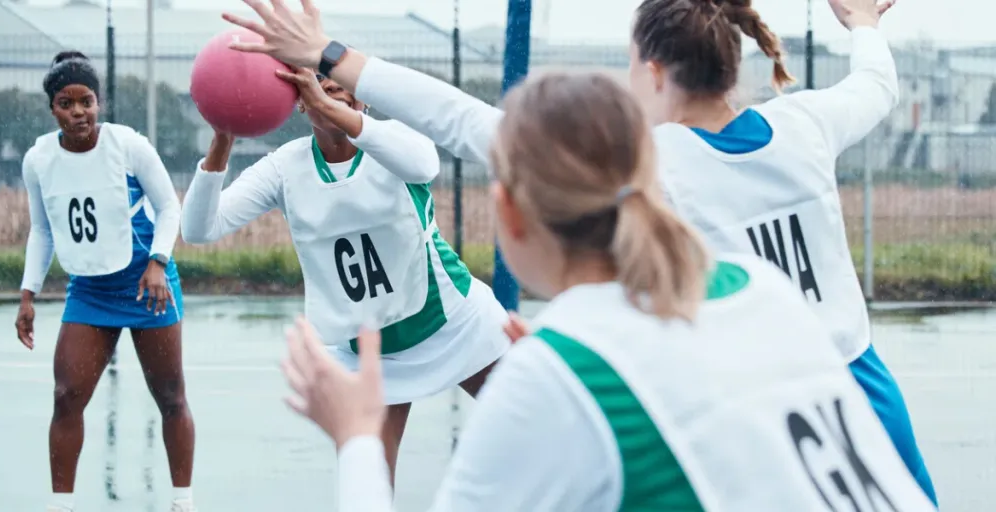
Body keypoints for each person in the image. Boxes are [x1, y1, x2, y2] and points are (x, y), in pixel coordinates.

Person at [222, 0, 938, 505]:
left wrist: (333, 58)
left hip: (727, 394)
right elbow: (875, 84)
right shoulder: (790, 186)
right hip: (855, 391)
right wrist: (866, 25)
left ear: (654, 76)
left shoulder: (657, 164)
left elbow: (470, 121)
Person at [178, 67, 510, 483]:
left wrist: (346, 117)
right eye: (318, 91)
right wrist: (222, 140)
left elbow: (425, 164)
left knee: (538, 424)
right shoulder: (285, 167)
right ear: (300, 102)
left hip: (454, 322)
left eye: (341, 91)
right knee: (367, 482)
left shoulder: (393, 142)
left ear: (364, 98)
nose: (331, 98)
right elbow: (199, 230)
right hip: (371, 348)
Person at [16, 51, 196, 512]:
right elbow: (42, 230)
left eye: (86, 101)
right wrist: (28, 294)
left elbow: (170, 207)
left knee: (171, 396)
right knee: (65, 397)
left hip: (146, 283)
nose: (78, 112)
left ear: (99, 103)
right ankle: (62, 505)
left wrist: (158, 261)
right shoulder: (38, 159)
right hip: (90, 290)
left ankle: (182, 501)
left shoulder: (128, 145)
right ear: (52, 108)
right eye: (65, 103)